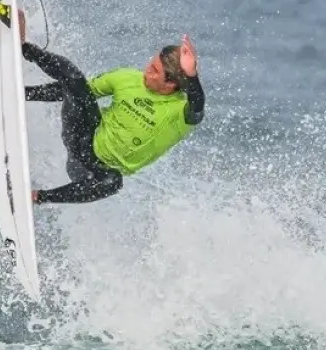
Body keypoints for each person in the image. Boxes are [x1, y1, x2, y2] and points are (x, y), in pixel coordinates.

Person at [11, 12, 205, 205]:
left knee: (113, 182)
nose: (147, 70)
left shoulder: (179, 113)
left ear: (170, 85)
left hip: (90, 168)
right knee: (75, 79)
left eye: (154, 71)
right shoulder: (127, 78)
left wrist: (191, 75)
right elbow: (75, 90)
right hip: (82, 132)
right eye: (151, 64)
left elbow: (197, 107)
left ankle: (37, 197)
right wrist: (26, 93)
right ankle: (23, 49)